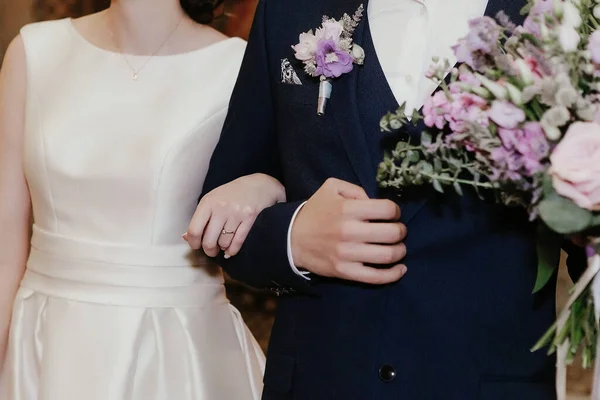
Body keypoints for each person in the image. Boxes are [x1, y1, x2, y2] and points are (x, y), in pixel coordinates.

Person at [192, 0, 588, 398]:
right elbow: (220, 211)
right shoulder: (290, 9)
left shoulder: (560, 20)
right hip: (320, 381)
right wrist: (292, 238)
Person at [0, 0, 280, 398]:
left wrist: (267, 186)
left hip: (177, 351)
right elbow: (4, 248)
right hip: (43, 344)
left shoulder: (237, 68)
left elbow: (291, 186)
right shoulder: (33, 51)